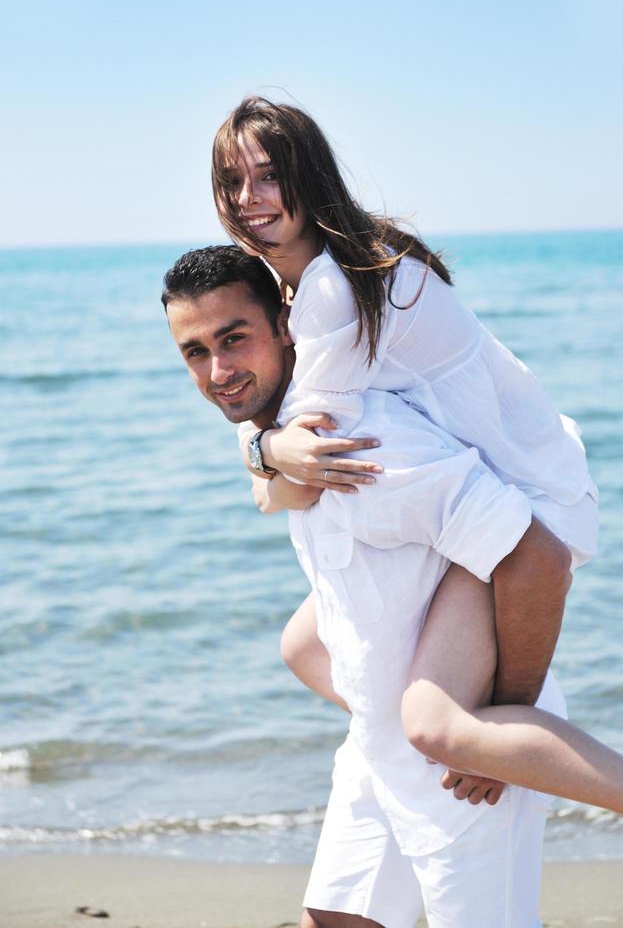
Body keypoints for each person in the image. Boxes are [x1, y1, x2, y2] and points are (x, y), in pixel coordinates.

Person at [162, 246, 623, 927]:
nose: (218, 370)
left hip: (464, 771)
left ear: (286, 325)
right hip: (380, 748)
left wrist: (488, 730)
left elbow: (539, 558)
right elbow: (269, 489)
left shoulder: (363, 446)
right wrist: (265, 451)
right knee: (337, 918)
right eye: (194, 351)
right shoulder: (291, 441)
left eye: (233, 338)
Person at [209, 96, 598, 802]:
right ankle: (435, 756)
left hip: (528, 504)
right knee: (305, 645)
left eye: (267, 176)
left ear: (310, 175)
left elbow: (300, 474)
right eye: (232, 183)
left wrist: (263, 453)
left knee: (451, 725)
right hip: (511, 477)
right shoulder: (331, 267)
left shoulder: (333, 287)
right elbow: (282, 449)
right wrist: (268, 452)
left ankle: (501, 741)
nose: (248, 198)